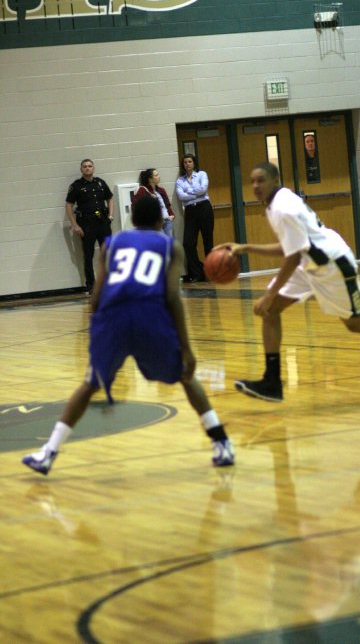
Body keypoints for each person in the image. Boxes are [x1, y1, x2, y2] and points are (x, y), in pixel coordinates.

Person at [22, 196, 234, 475]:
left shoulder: (113, 244)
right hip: (150, 316)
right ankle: (221, 442)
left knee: (89, 384)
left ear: (132, 219)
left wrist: (95, 333)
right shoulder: (171, 247)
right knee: (185, 375)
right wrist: (186, 347)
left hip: (114, 318)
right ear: (160, 220)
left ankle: (48, 452)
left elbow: (96, 295)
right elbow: (172, 297)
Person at [216, 162, 360, 402]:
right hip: (310, 264)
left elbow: (293, 255)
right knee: (271, 311)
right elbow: (293, 247)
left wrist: (269, 294)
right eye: (252, 181)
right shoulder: (277, 201)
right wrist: (246, 247)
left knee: (354, 323)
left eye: (261, 180)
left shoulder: (283, 209)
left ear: (275, 180)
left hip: (332, 265)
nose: (255, 185)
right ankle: (272, 382)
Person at [66, 158, 114, 294]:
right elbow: (69, 205)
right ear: (81, 169)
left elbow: (110, 198)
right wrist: (75, 225)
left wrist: (110, 215)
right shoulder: (76, 186)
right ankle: (91, 285)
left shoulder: (100, 183)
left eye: (90, 166)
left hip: (103, 222)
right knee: (88, 254)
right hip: (86, 224)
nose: (87, 168)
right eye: (85, 166)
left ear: (93, 168)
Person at [176, 153, 214, 282]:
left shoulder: (202, 174)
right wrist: (195, 194)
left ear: (194, 163)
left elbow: (203, 189)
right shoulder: (180, 180)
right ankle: (198, 272)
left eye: (190, 162)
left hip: (204, 208)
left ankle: (211, 273)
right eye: (185, 162)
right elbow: (181, 196)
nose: (187, 164)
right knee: (188, 243)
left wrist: (189, 192)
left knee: (207, 241)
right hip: (190, 210)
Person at [133, 168, 175, 237]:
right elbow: (137, 205)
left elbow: (167, 204)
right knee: (160, 241)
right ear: (150, 179)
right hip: (155, 222)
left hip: (166, 219)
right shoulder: (143, 190)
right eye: (156, 175)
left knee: (168, 243)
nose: (159, 176)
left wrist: (171, 214)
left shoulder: (161, 190)